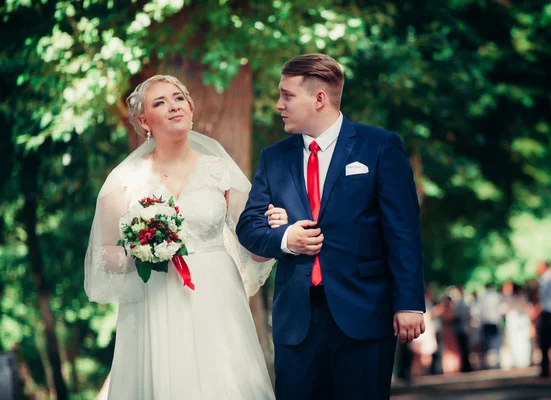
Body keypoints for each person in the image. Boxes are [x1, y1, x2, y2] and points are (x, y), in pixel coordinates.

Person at [84, 75, 290, 399]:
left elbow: (254, 243)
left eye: (179, 98)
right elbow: (104, 253)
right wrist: (140, 250)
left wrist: (273, 232)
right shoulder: (123, 180)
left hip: (217, 297)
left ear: (191, 109)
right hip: (156, 300)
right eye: (160, 103)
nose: (173, 107)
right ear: (143, 121)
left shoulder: (219, 170)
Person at [236, 53, 426, 400]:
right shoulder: (273, 158)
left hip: (364, 313)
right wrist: (285, 238)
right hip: (297, 322)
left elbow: (403, 232)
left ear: (319, 98)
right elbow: (248, 227)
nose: (279, 104)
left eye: (287, 95)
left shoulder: (379, 147)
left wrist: (409, 303)